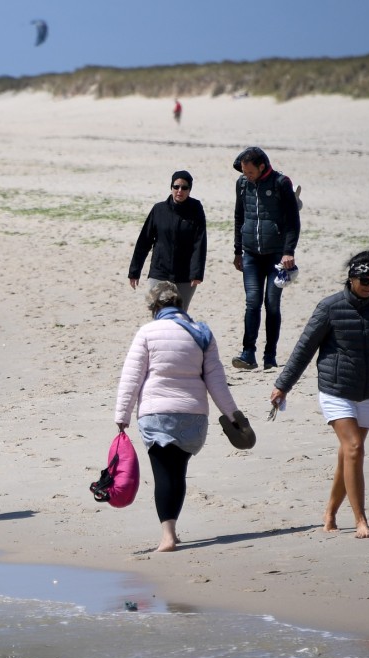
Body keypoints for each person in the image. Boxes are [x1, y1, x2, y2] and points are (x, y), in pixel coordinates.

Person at [270, 251, 369, 539]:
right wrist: (283, 385)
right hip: (336, 390)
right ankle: (360, 518)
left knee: (347, 456)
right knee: (354, 449)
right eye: (364, 280)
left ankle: (329, 513)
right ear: (351, 277)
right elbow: (304, 348)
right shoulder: (330, 307)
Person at [115, 281, 245, 553]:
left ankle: (168, 535)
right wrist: (232, 415)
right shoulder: (202, 332)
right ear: (181, 304)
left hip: (156, 414)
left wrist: (122, 415)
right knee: (178, 472)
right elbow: (217, 381)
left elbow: (131, 378)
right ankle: (172, 530)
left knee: (163, 474)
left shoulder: (147, 332)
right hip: (193, 415)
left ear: (154, 307)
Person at [231, 145, 301, 371]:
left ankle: (269, 355)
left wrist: (288, 251)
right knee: (252, 302)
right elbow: (239, 216)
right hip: (250, 254)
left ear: (262, 167)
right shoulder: (242, 184)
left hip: (276, 257)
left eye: (250, 171)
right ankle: (248, 353)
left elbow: (293, 221)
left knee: (272, 304)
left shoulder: (281, 183)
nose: (246, 175)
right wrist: (237, 250)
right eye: (243, 171)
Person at [128, 170, 207, 311]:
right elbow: (144, 241)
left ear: (190, 190)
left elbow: (199, 243)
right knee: (158, 313)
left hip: (185, 276)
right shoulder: (159, 210)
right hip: (160, 272)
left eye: (184, 188)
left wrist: (196, 274)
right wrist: (135, 271)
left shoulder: (195, 209)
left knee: (179, 314)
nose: (179, 191)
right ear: (171, 187)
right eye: (176, 187)